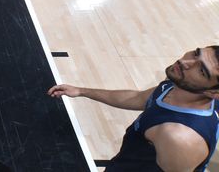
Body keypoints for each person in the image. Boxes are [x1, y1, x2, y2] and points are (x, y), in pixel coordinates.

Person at [49, 47, 219, 171]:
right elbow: (137, 98)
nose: (185, 62)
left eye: (202, 70)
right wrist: (81, 91)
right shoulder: (177, 85)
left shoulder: (179, 136)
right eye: (196, 54)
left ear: (213, 92)